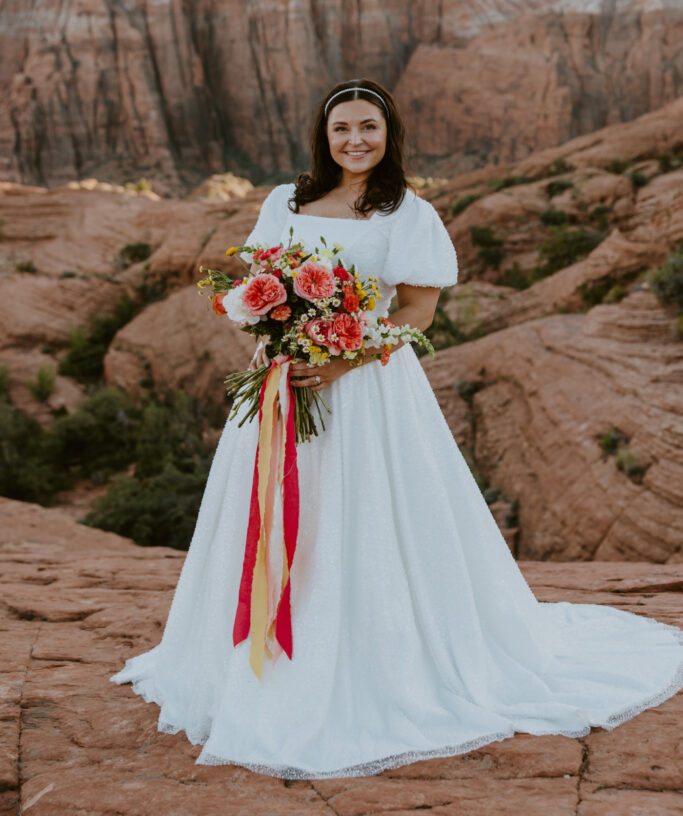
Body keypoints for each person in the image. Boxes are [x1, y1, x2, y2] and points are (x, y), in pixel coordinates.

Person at [110, 79, 683, 780]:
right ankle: (249, 659)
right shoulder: (283, 203)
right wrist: (267, 341)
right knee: (268, 512)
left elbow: (416, 311)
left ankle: (366, 661)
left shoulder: (408, 212)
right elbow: (262, 289)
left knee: (368, 516)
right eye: (342, 128)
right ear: (323, 135)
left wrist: (348, 356)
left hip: (369, 391)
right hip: (285, 386)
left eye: (368, 129)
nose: (355, 140)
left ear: (389, 137)